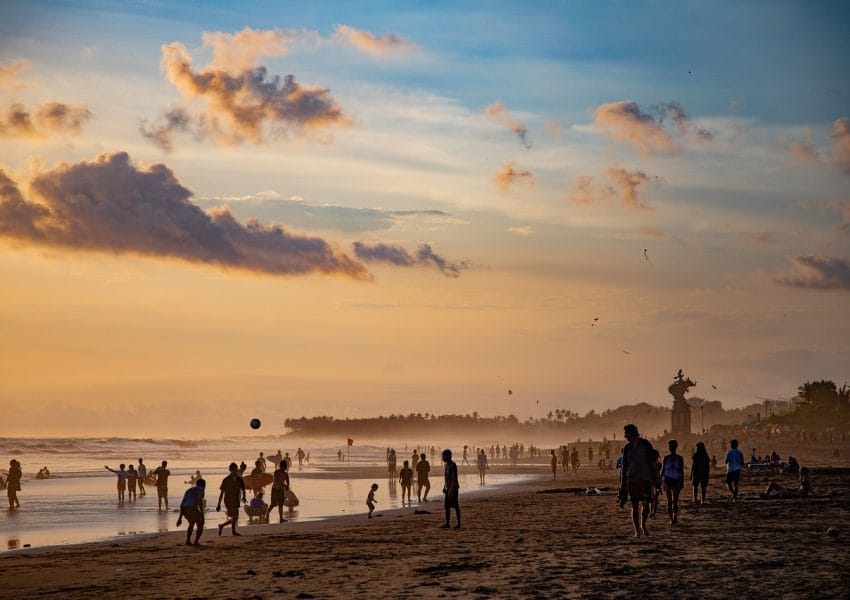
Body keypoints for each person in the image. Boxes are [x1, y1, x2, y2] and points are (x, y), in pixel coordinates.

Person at [619, 424, 657, 538]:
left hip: (646, 478)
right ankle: (637, 531)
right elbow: (624, 466)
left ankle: (643, 524)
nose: (625, 436)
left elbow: (653, 462)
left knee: (645, 504)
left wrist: (657, 478)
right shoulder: (627, 448)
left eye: (626, 434)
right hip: (632, 479)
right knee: (634, 505)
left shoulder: (646, 444)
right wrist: (622, 483)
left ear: (632, 433)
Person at [217, 462, 246, 536]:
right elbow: (222, 492)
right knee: (234, 516)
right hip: (228, 500)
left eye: (235, 469)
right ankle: (233, 531)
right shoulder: (226, 480)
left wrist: (244, 497)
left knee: (235, 517)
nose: (234, 470)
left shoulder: (239, 479)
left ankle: (222, 526)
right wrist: (219, 504)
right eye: (232, 469)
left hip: (236, 499)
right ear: (230, 469)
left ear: (236, 469)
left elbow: (243, 489)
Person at [661, 440, 685, 525]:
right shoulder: (666, 458)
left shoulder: (679, 458)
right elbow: (662, 471)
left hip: (676, 480)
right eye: (670, 446)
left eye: (671, 446)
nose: (670, 448)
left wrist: (682, 482)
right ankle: (671, 518)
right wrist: (660, 481)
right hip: (668, 480)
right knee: (670, 501)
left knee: (674, 501)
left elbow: (681, 471)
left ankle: (674, 516)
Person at [176, 478, 205, 546]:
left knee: (191, 523)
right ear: (202, 484)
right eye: (204, 484)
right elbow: (199, 501)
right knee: (201, 523)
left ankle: (188, 540)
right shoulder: (201, 489)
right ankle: (196, 541)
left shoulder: (189, 490)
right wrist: (202, 513)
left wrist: (180, 518)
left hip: (185, 507)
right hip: (192, 507)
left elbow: (183, 503)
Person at [441, 449, 461, 529]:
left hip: (454, 488)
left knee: (455, 506)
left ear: (448, 456)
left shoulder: (453, 465)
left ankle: (459, 523)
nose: (443, 457)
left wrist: (451, 490)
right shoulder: (446, 465)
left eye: (444, 456)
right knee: (447, 506)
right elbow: (446, 478)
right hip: (448, 488)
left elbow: (454, 478)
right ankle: (447, 523)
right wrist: (444, 487)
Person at [266, 459, 290, 523]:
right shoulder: (276, 472)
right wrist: (285, 485)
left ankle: (281, 518)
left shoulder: (286, 474)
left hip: (281, 490)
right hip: (275, 490)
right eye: (284, 466)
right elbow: (279, 480)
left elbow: (287, 482)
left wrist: (287, 486)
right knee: (273, 504)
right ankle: (267, 514)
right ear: (281, 466)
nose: (285, 468)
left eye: (286, 466)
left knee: (280, 505)